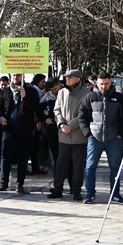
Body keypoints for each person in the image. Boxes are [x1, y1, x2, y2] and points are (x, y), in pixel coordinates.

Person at [79, 73, 123, 204]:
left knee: (115, 167)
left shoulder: (119, 98)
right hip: (94, 138)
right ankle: (90, 194)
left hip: (114, 139)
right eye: (101, 84)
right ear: (97, 83)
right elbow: (82, 117)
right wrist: (87, 133)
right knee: (90, 167)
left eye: (106, 84)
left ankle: (115, 195)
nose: (104, 86)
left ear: (111, 82)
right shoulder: (89, 97)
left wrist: (121, 134)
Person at [48, 69, 90, 200]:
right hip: (63, 136)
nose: (67, 79)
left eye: (70, 77)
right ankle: (58, 188)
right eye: (66, 77)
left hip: (78, 136)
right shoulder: (61, 92)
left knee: (78, 165)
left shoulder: (86, 94)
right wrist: (61, 124)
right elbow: (57, 110)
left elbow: (84, 115)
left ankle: (76, 190)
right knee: (61, 163)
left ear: (78, 79)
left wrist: (69, 126)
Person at [0, 73, 40, 193]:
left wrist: (25, 97)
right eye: (14, 75)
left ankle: (20, 182)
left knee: (23, 156)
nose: (16, 77)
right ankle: (4, 181)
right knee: (6, 155)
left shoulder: (30, 90)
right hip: (8, 128)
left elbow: (36, 107)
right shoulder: (6, 91)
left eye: (18, 75)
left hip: (24, 129)